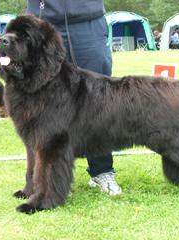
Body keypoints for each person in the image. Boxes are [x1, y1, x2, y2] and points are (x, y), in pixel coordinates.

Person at [27, 0, 122, 196]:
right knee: (47, 106)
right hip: (44, 21)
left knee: (98, 99)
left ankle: (101, 170)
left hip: (89, 22)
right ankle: (53, 177)